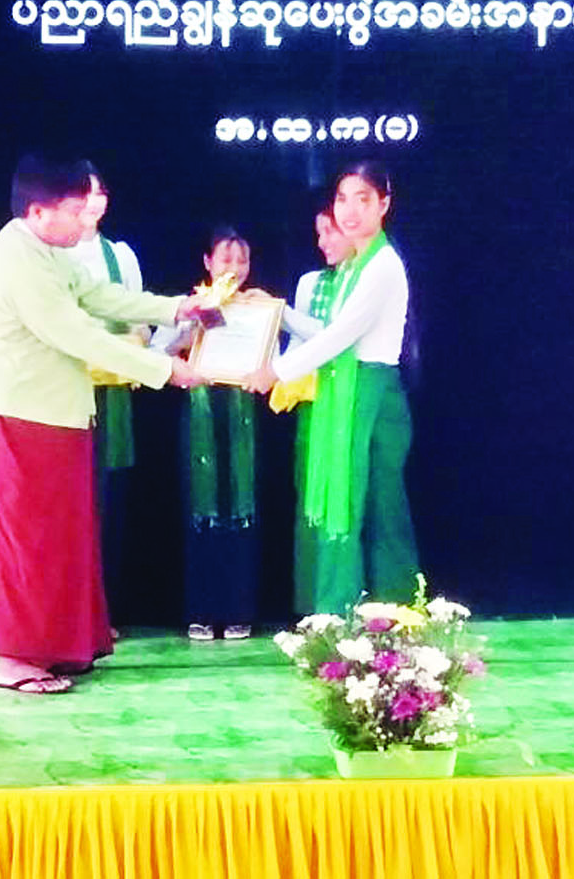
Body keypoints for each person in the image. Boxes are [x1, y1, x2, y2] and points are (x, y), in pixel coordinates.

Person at [0, 156, 205, 693]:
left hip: (58, 418)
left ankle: (56, 647)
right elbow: (78, 333)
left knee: (61, 541)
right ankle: (14, 661)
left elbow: (98, 295)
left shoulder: (51, 250)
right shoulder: (17, 258)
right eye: (74, 210)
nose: (84, 219)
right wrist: (165, 370)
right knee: (23, 543)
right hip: (19, 419)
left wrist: (178, 309)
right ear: (38, 211)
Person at [247, 163, 418, 614]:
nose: (350, 210)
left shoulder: (381, 265)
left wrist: (276, 372)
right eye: (343, 199)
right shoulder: (352, 267)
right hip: (348, 387)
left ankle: (376, 614)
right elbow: (329, 334)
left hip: (368, 389)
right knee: (358, 500)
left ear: (384, 204)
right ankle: (348, 614)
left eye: (363, 199)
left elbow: (341, 336)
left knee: (362, 502)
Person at [162, 227, 262, 640]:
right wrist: (191, 328)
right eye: (225, 259)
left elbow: (275, 358)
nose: (234, 268)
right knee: (199, 511)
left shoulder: (259, 308)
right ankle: (201, 611)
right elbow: (154, 352)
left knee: (242, 512)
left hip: (242, 417)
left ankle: (239, 610)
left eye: (242, 260)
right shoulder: (189, 305)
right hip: (199, 414)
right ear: (208, 262)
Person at [63, 165, 145, 620]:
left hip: (112, 393)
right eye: (86, 192)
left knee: (108, 499)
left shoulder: (120, 255)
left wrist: (139, 346)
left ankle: (102, 611)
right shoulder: (54, 253)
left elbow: (140, 322)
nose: (94, 201)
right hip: (67, 390)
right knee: (71, 499)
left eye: (101, 192)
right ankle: (70, 609)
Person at [278, 204, 354, 615]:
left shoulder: (367, 279)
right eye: (319, 233)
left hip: (353, 401)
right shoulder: (311, 282)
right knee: (311, 498)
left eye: (330, 232)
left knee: (347, 500)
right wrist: (269, 371)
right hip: (314, 403)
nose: (322, 242)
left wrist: (282, 314)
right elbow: (299, 345)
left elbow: (338, 337)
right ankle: (312, 608)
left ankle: (351, 605)